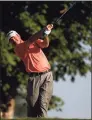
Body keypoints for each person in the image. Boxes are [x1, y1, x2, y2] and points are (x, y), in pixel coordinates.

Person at [7, 24, 53, 118]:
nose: (13, 40)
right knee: (32, 103)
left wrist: (46, 35)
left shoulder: (33, 42)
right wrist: (43, 30)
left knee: (43, 103)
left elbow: (45, 44)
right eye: (11, 41)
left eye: (13, 38)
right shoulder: (18, 49)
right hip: (34, 78)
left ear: (18, 36)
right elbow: (31, 39)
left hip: (47, 75)